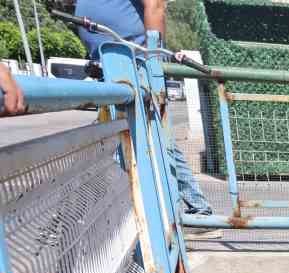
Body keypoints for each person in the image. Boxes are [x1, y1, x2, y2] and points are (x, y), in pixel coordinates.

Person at [73, 0, 213, 214]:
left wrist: (153, 65)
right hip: (114, 72)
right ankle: (197, 208)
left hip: (135, 73)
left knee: (114, 147)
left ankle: (71, 219)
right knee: (151, 141)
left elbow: (155, 5)